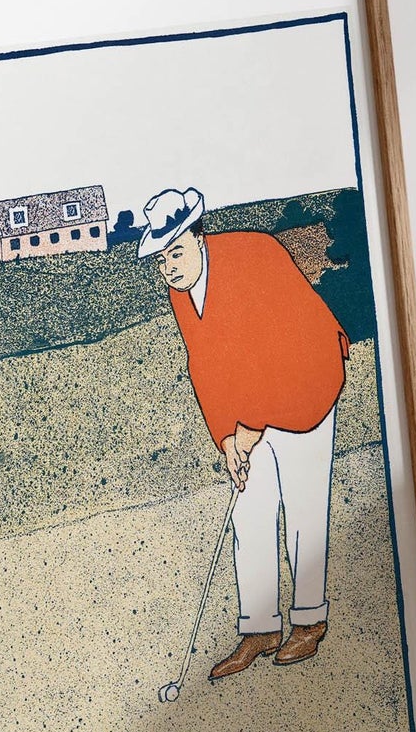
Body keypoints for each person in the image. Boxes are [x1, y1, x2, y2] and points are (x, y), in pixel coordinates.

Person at [137, 187, 349, 677]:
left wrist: (250, 428)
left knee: (303, 506)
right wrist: (226, 439)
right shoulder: (181, 290)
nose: (169, 266)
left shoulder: (254, 255)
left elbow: (278, 348)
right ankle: (259, 627)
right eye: (161, 258)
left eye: (176, 252)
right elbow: (205, 367)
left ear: (199, 237)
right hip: (253, 409)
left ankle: (309, 621)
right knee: (249, 508)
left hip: (306, 387)